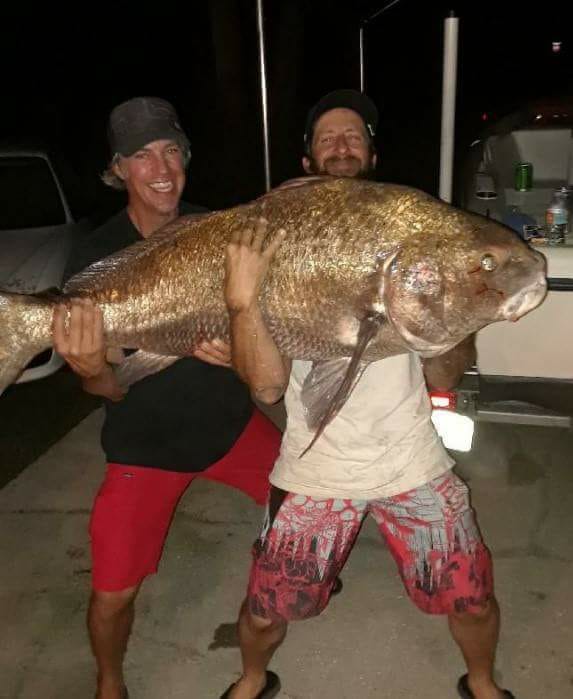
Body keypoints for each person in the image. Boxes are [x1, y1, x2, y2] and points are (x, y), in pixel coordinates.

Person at [218, 90, 515, 699]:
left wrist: (459, 315)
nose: (341, 145)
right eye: (327, 137)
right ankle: (251, 678)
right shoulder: (277, 242)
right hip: (315, 465)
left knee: (473, 599)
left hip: (410, 458)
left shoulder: (411, 235)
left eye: (354, 135)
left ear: (373, 155)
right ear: (307, 162)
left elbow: (444, 378)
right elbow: (268, 385)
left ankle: (482, 682)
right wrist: (244, 304)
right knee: (266, 611)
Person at [52, 96, 282, 699]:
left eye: (171, 150)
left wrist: (242, 350)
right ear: (118, 168)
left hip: (230, 427)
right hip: (144, 446)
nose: (162, 168)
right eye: (142, 155)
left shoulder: (222, 233)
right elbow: (106, 387)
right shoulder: (98, 254)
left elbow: (265, 336)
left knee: (304, 502)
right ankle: (109, 682)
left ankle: (284, 588)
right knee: (112, 594)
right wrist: (90, 369)